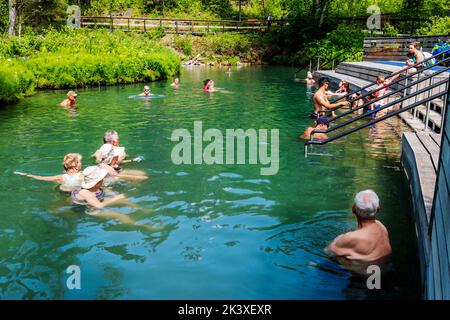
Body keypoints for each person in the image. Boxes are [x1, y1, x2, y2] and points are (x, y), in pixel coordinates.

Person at [326, 190, 392, 262]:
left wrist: (339, 239)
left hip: (362, 272)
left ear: (353, 208)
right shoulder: (382, 227)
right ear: (378, 209)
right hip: (380, 269)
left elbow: (328, 251)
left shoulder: (350, 237)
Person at [15, 153, 83, 192]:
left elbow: (42, 178)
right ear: (76, 166)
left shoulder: (60, 177)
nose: (81, 163)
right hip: (76, 191)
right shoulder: (82, 175)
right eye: (80, 162)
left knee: (56, 185)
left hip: (64, 190)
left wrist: (26, 174)